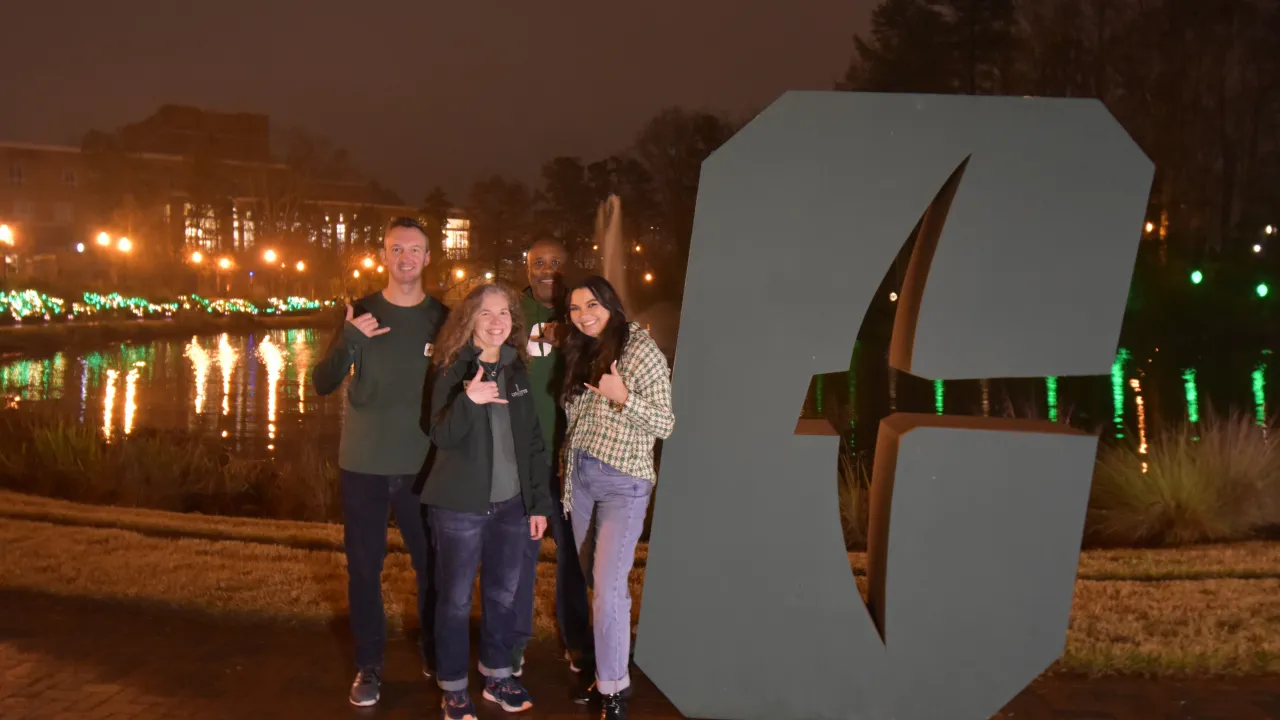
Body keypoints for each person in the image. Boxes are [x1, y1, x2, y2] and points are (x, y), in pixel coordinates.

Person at [311, 216, 448, 707]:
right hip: (364, 465)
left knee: (433, 567)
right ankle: (368, 666)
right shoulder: (359, 312)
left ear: (428, 258)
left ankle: (436, 652)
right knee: (364, 570)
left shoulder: (444, 318)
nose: (405, 258)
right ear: (383, 255)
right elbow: (321, 382)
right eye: (396, 249)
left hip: (422, 467)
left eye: (415, 250)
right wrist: (351, 341)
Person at [423, 283, 554, 720]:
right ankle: (454, 688)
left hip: (512, 507)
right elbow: (440, 434)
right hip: (459, 506)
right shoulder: (450, 367)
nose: (497, 322)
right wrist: (468, 400)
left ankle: (498, 675)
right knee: (456, 600)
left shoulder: (518, 370)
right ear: (469, 321)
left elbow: (533, 443)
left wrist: (537, 504)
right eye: (486, 313)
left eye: (504, 314)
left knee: (502, 595)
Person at [560, 275, 674, 720]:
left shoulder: (640, 349)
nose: (583, 315)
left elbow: (666, 423)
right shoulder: (582, 349)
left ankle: (611, 690)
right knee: (600, 585)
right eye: (574, 309)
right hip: (581, 479)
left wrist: (623, 397)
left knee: (607, 589)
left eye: (592, 305)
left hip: (623, 483)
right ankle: (613, 672)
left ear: (611, 304)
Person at [509, 236, 595, 676]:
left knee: (574, 555)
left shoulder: (583, 312)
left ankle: (576, 639)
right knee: (519, 552)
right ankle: (511, 645)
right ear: (526, 268)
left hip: (571, 457)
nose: (546, 269)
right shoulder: (511, 311)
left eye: (556, 262)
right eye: (537, 261)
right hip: (523, 455)